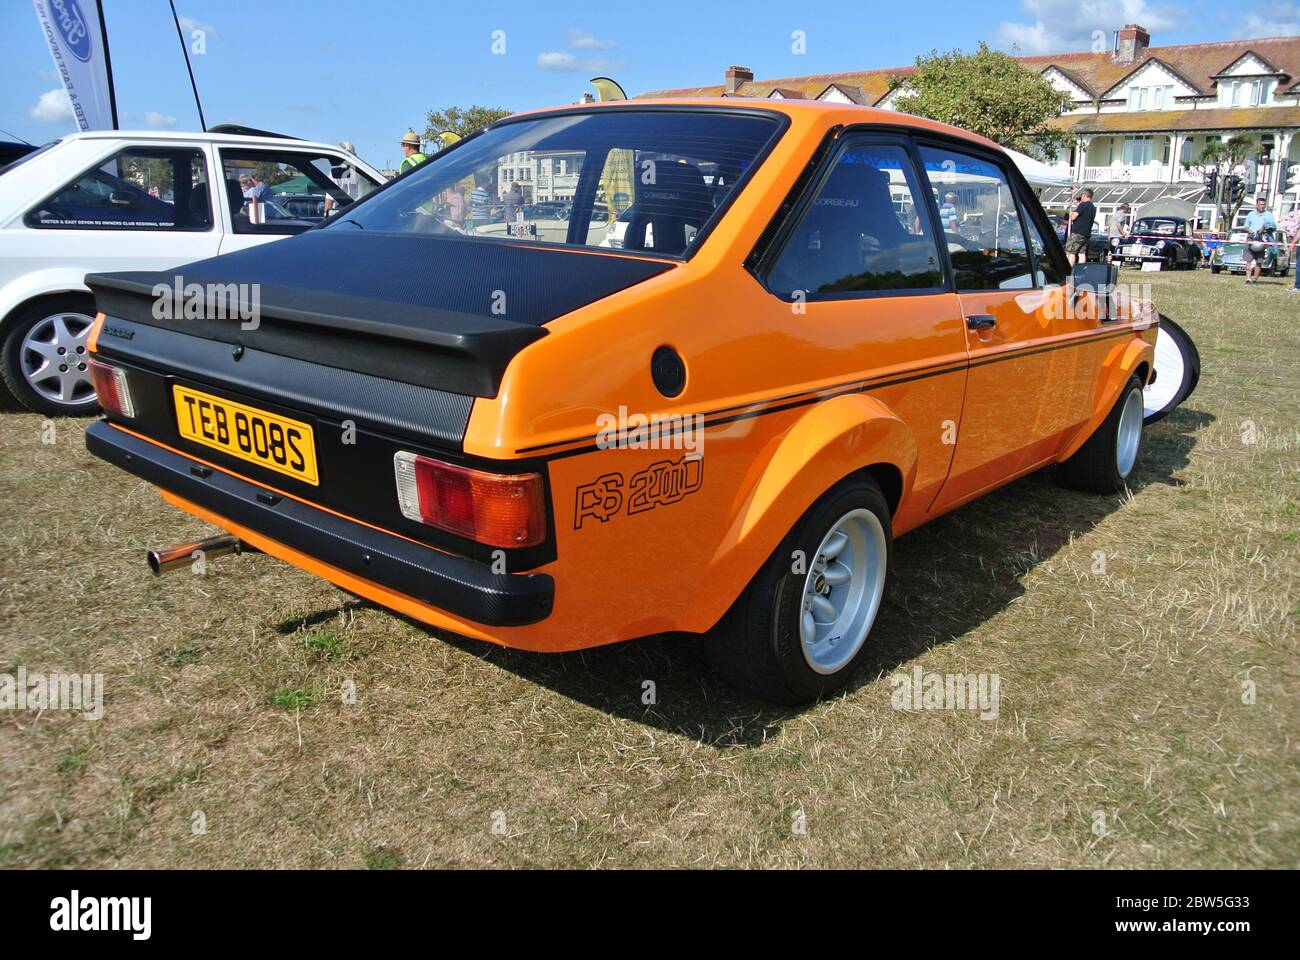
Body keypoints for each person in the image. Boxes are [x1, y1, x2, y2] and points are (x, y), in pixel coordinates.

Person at [1242, 197, 1277, 285]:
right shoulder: (1251, 214)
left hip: (1262, 239)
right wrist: (1249, 230)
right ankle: (1248, 278)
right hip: (1250, 239)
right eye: (1261, 204)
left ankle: (1254, 279)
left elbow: (1273, 227)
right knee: (1248, 259)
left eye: (1264, 204)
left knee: (1259, 261)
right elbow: (1245, 226)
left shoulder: (1269, 215)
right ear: (1256, 205)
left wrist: (1264, 229)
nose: (1262, 206)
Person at [1066, 188, 1096, 266]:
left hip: (1077, 233)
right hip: (1086, 234)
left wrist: (1071, 213)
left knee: (1071, 252)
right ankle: (1081, 271)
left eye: (1082, 195)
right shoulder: (1093, 207)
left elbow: (1073, 217)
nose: (1081, 197)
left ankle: (1069, 271)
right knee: (1082, 253)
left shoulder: (1083, 205)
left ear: (1085, 195)